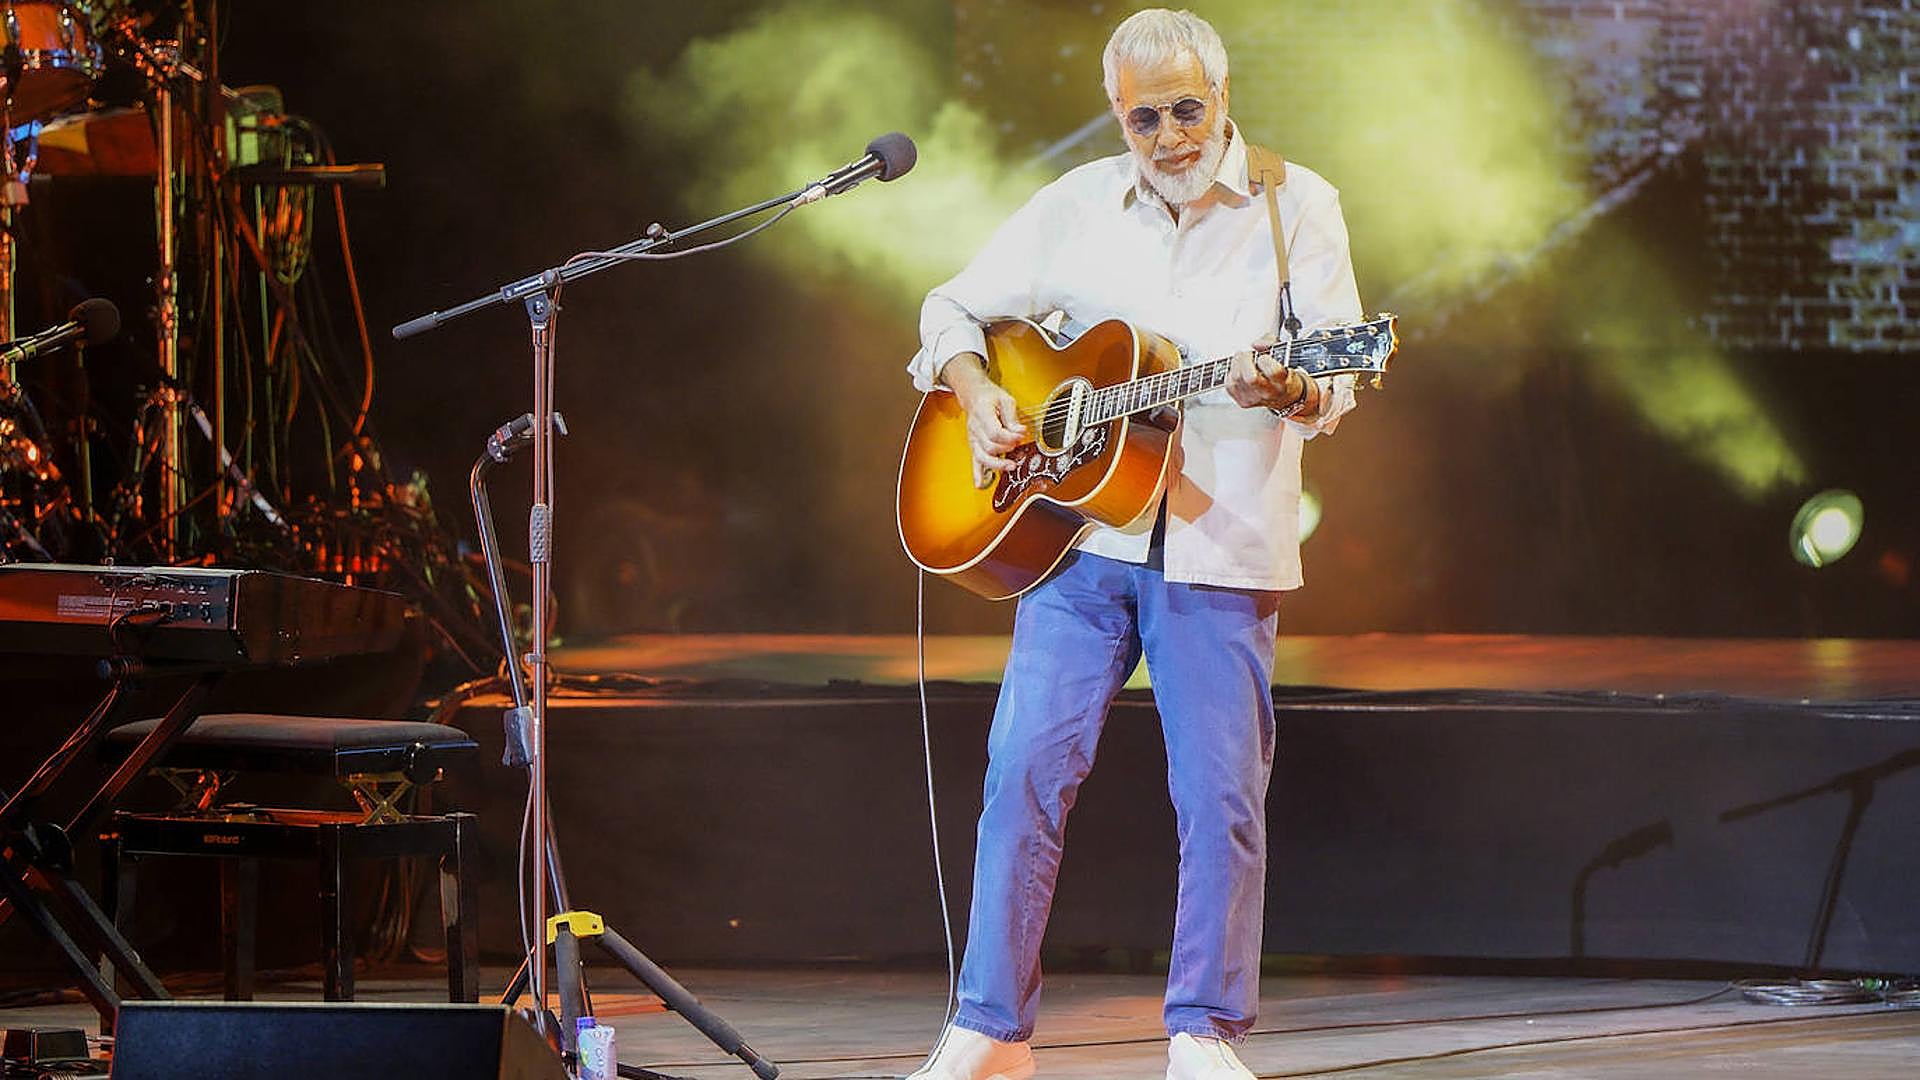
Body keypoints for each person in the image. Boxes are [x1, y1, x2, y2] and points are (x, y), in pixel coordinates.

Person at [903, 8, 1364, 1080]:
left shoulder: (1298, 206)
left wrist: (1294, 386)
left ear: (1225, 93)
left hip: (1220, 542)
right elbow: (950, 311)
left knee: (1219, 798)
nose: (1168, 136)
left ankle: (1204, 1032)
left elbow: (1334, 378)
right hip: (1078, 549)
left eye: (1186, 110)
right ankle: (989, 1028)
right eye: (1142, 118)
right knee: (1022, 773)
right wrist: (977, 393)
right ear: (1118, 115)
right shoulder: (1075, 203)